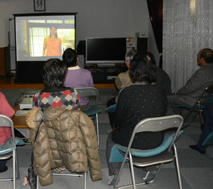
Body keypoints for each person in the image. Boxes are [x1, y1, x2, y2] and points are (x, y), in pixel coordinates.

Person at [26, 58, 101, 186]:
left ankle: (54, 162)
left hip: (48, 141)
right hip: (69, 138)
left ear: (46, 75)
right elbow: (76, 116)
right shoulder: (72, 94)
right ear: (63, 74)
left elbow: (38, 121)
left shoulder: (38, 97)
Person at [106, 52, 168, 186]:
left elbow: (119, 120)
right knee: (142, 133)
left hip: (132, 140)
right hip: (157, 139)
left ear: (133, 71)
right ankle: (150, 168)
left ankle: (115, 175)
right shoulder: (160, 91)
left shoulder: (127, 93)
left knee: (111, 138)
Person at [106, 49, 137, 128]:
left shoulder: (121, 76)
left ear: (127, 62)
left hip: (124, 102)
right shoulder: (146, 76)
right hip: (138, 101)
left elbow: (118, 87)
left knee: (110, 102)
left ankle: (115, 126)